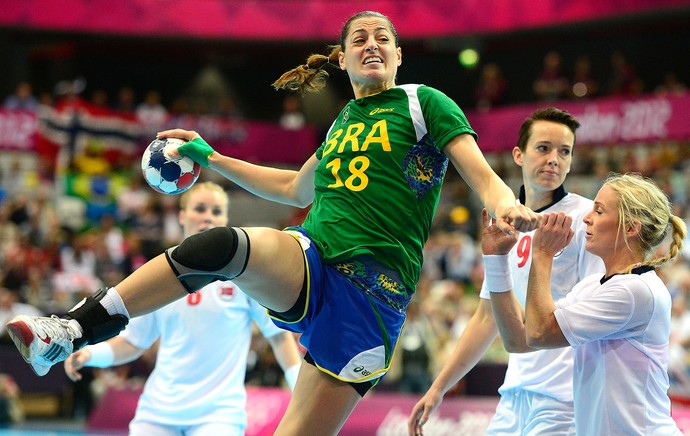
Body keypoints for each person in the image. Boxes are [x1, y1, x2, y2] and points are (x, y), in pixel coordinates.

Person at [5, 11, 540, 435]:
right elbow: (292, 188)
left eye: (382, 36)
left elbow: (480, 173)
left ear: (399, 55)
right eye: (359, 38)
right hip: (313, 260)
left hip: (372, 299)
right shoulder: (341, 122)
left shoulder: (424, 103)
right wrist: (210, 157)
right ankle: (72, 328)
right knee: (221, 247)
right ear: (343, 58)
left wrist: (503, 201)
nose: (371, 43)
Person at [409, 107, 605, 435]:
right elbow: (487, 318)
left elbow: (594, 308)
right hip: (514, 392)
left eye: (564, 151)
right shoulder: (505, 224)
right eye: (543, 148)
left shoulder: (585, 219)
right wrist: (438, 387)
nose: (554, 159)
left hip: (565, 398)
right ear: (518, 155)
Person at [63, 182, 301, 435]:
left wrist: (298, 381)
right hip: (158, 411)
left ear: (226, 219)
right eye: (200, 208)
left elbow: (278, 335)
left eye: (217, 211)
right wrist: (91, 355)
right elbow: (134, 343)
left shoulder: (242, 277)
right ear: (182, 216)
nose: (208, 216)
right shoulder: (157, 276)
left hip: (219, 414)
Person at [500, 173, 686, 434]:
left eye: (598, 211)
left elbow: (539, 332)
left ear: (630, 228)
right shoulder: (596, 285)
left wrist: (542, 253)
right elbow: (520, 338)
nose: (587, 218)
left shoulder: (634, 291)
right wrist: (496, 260)